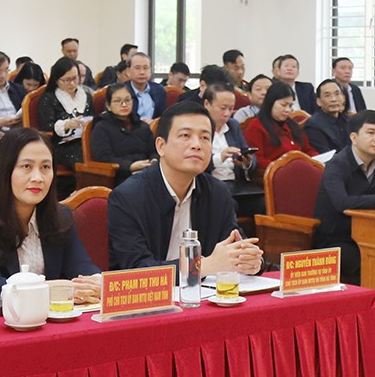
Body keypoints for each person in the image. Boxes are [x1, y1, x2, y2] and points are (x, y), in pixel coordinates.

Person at [106, 102, 263, 273]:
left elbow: (237, 244)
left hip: (205, 288)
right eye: (185, 135)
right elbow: (135, 269)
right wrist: (200, 266)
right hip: (153, 291)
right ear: (161, 146)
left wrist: (252, 261)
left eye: (205, 138)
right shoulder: (128, 197)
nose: (197, 145)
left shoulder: (217, 192)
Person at [0, 128, 102, 299]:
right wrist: (52, 291)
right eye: (26, 166)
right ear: (4, 170)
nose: (38, 178)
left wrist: (97, 284)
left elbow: (83, 270)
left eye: (45, 167)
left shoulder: (62, 217)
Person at [314, 110, 375, 283]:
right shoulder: (337, 164)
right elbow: (342, 202)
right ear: (354, 137)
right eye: (371, 133)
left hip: (372, 235)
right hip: (337, 239)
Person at [90, 82, 158, 183]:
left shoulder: (142, 126)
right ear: (108, 105)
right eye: (118, 101)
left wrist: (154, 160)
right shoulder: (101, 127)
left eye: (127, 100)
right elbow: (104, 158)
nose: (124, 105)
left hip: (147, 172)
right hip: (119, 176)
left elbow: (153, 151)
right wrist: (130, 166)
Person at [244, 81, 317, 172]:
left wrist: (316, 160)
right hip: (275, 175)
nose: (287, 110)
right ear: (271, 103)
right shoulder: (256, 127)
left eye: (290, 106)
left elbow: (308, 149)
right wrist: (281, 169)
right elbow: (257, 160)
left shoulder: (292, 125)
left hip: (301, 171)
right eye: (283, 105)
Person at [38, 57, 95, 170]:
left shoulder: (86, 97)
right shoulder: (49, 98)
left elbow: (93, 118)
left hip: (86, 141)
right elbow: (47, 127)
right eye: (67, 80)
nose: (72, 83)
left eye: (75, 78)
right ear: (56, 80)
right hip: (62, 145)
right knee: (83, 158)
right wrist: (66, 125)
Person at [304, 79, 351, 154]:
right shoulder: (313, 125)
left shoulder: (349, 120)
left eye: (337, 94)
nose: (333, 99)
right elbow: (325, 155)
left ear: (343, 98)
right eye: (327, 95)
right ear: (318, 102)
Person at [125, 52, 168, 123]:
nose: (142, 72)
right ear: (128, 71)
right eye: (137, 68)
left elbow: (163, 117)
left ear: (150, 71)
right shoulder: (121, 91)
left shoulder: (159, 90)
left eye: (145, 68)